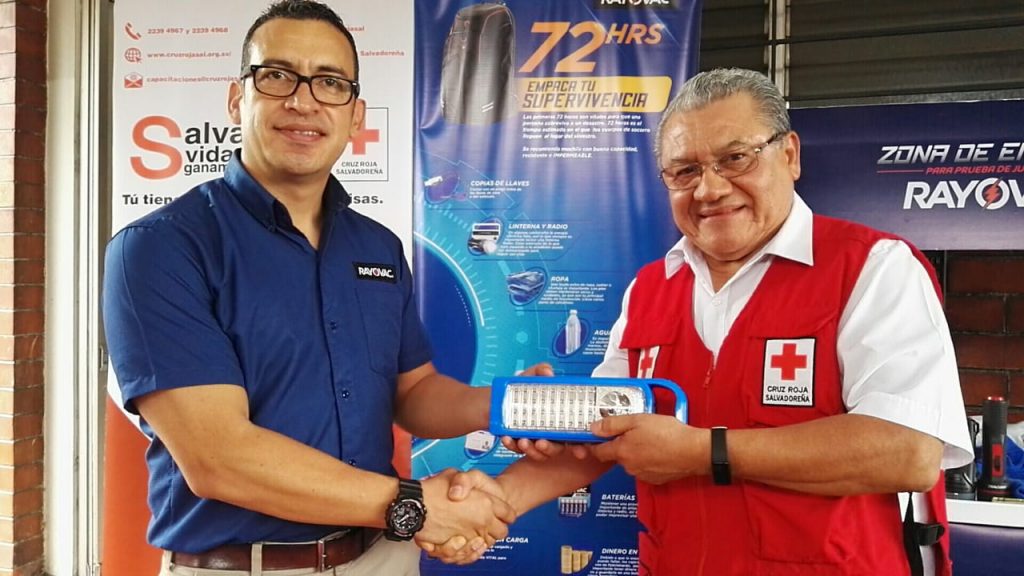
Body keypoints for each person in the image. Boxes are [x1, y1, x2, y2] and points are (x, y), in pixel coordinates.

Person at [456, 68, 974, 576]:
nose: (709, 189)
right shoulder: (650, 289)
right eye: (684, 171)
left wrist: (706, 453)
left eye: (735, 158)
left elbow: (908, 451)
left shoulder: (873, 268)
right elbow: (605, 433)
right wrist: (499, 497)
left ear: (789, 155)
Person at [102, 1, 534, 574]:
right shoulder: (161, 248)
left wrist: (505, 405)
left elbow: (414, 391)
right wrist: (412, 506)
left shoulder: (376, 246)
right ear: (237, 100)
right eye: (277, 76)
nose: (303, 101)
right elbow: (218, 457)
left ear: (356, 116)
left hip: (381, 556)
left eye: (330, 83)